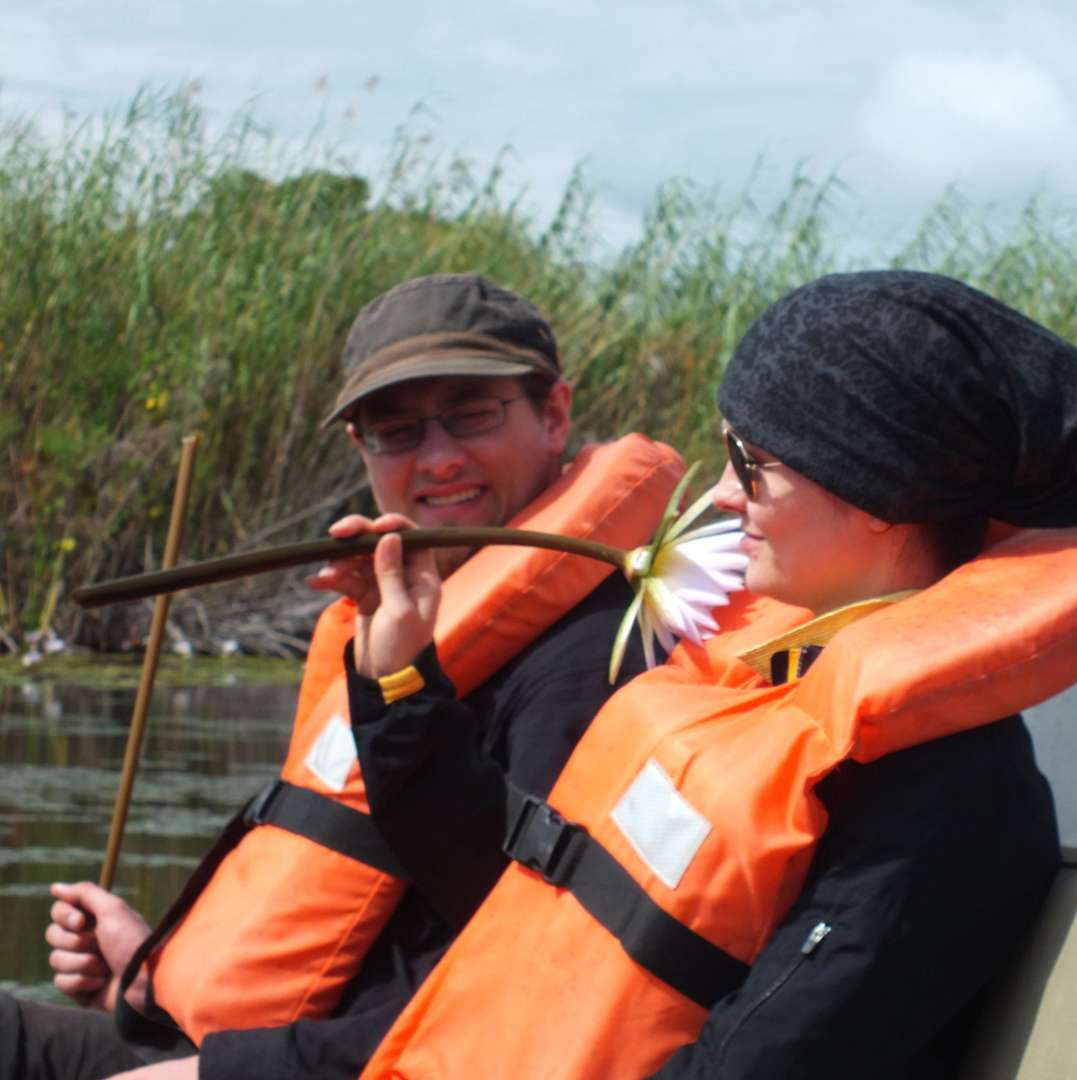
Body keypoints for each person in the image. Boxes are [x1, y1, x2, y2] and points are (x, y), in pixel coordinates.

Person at [345, 270, 1077, 1078]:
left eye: (753, 466)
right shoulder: (759, 678)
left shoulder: (951, 801)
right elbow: (516, 874)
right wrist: (396, 683)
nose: (721, 497)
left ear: (881, 491)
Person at [2, 273, 682, 1080]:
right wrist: (146, 971)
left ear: (555, 415)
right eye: (395, 430)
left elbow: (534, 969)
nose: (439, 458)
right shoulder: (396, 622)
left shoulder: (601, 658)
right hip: (217, 1043)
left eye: (472, 413)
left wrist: (223, 1072)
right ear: (363, 449)